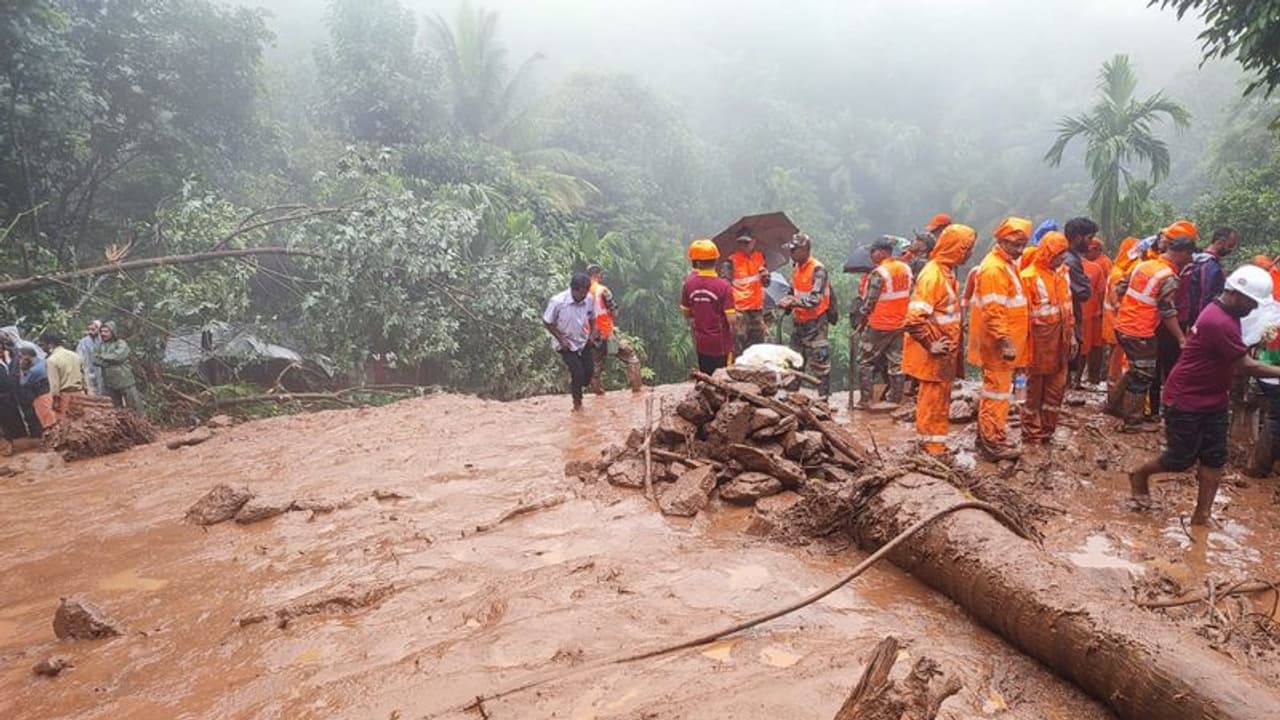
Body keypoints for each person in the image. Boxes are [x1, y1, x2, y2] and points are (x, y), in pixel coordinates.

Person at [1129, 266, 1280, 525]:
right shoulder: (1217, 321)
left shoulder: (1226, 312)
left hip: (1213, 396)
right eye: (1251, 303)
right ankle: (1139, 474)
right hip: (1186, 398)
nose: (1253, 309)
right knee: (1180, 458)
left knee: (1215, 456)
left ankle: (1202, 515)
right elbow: (1246, 366)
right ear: (1236, 294)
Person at [1112, 228, 1196, 430]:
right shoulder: (1169, 277)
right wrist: (1181, 338)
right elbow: (1167, 311)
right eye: (1189, 256)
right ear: (1183, 253)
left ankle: (1113, 405)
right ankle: (1132, 421)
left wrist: (1121, 308)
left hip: (1123, 324)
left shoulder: (1145, 265)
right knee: (1142, 375)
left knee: (1135, 369)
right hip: (1141, 331)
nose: (1189, 260)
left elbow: (1119, 288)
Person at [903, 224, 976, 456]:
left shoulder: (945, 272)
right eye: (967, 248)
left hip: (943, 351)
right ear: (955, 248)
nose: (970, 253)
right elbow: (914, 319)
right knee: (932, 400)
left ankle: (935, 445)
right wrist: (930, 343)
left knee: (939, 399)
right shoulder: (933, 275)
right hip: (935, 351)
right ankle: (930, 447)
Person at [967, 217, 1032, 460]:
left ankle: (987, 436)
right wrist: (1005, 340)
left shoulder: (1007, 264)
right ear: (1002, 241)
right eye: (1015, 244)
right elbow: (994, 310)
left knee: (998, 392)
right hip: (999, 345)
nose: (1020, 250)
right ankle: (992, 443)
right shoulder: (994, 269)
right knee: (997, 393)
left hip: (1007, 342)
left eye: (1023, 244)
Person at [1019, 232, 1075, 444]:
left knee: (1056, 388)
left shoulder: (1062, 275)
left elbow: (1068, 308)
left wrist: (1072, 337)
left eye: (1063, 254)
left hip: (1059, 341)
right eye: (1057, 255)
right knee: (1030, 389)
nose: (1061, 259)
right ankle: (1031, 432)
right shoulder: (1028, 277)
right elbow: (1020, 317)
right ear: (1046, 253)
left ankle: (1047, 430)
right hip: (1035, 343)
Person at [854, 236, 913, 408]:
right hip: (900, 323)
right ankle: (895, 399)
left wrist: (861, 320)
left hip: (879, 324)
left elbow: (869, 302)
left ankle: (865, 400)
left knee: (865, 361)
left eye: (873, 251)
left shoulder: (879, 273)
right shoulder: (905, 269)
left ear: (881, 252)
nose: (871, 255)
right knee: (897, 362)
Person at [1150, 220, 1200, 416]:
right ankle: (1161, 409)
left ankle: (1162, 408)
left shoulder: (1176, 266)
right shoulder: (1166, 270)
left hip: (1169, 320)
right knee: (1160, 366)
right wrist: (1181, 337)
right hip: (1161, 322)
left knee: (1163, 366)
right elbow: (1167, 308)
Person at [778, 233, 832, 397]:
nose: (791, 253)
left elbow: (815, 299)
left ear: (804, 249)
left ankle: (823, 400)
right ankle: (791, 397)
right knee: (793, 361)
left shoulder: (817, 270)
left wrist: (793, 302)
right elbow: (793, 290)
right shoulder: (797, 268)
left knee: (820, 364)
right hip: (799, 321)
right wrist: (787, 300)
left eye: (794, 250)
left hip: (816, 323)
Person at [585, 265, 643, 395]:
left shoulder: (583, 292)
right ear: (597, 274)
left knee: (595, 365)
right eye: (600, 274)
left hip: (592, 335)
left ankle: (599, 395)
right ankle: (637, 389)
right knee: (630, 356)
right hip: (607, 332)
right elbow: (613, 309)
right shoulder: (603, 290)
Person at [543, 273, 597, 412]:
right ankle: (577, 404)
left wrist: (592, 334)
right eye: (582, 293)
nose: (585, 296)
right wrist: (561, 339)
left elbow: (592, 317)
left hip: (583, 339)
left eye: (586, 292)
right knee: (577, 373)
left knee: (589, 372)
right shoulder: (558, 301)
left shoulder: (589, 299)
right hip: (565, 343)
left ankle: (577, 386)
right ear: (574, 290)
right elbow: (547, 322)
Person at [680, 239, 735, 374]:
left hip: (701, 343)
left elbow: (686, 313)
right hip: (720, 345)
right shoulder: (724, 286)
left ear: (696, 262)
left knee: (706, 377)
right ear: (716, 260)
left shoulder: (688, 284)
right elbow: (731, 319)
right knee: (723, 380)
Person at [1177, 226, 1238, 329]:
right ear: (1220, 242)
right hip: (1197, 320)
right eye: (1230, 245)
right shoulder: (1210, 266)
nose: (1231, 249)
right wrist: (1201, 325)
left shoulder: (1198, 258)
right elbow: (1205, 297)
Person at [1103, 237, 1140, 405]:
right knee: (1117, 359)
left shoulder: (1117, 269)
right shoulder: (1119, 273)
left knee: (1115, 357)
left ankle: (1113, 393)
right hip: (1117, 321)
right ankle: (1114, 395)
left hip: (1114, 321)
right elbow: (1115, 298)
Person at [728, 233, 771, 354]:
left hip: (757, 308)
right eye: (741, 243)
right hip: (740, 310)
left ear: (753, 242)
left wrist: (766, 277)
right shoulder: (731, 261)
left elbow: (766, 283)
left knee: (758, 344)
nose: (744, 246)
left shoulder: (760, 257)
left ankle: (756, 371)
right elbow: (725, 285)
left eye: (746, 243)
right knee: (740, 344)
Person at [1078, 238, 1109, 386]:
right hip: (1079, 315)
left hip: (1094, 315)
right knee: (1081, 347)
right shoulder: (1068, 266)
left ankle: (1093, 379)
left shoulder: (1100, 266)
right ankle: (1076, 380)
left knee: (1094, 346)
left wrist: (1103, 311)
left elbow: (1104, 291)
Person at [39, 331, 86, 424]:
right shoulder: (75, 355)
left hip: (64, 397)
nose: (42, 348)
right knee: (80, 423)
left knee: (65, 424)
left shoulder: (52, 360)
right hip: (80, 394)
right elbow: (83, 377)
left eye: (43, 344)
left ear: (50, 344)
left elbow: (54, 385)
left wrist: (55, 401)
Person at [17, 346, 53, 435]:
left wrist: (21, 370)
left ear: (27, 356)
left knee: (46, 421)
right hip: (48, 393)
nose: (20, 359)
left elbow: (23, 383)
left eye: (21, 357)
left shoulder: (34, 370)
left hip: (40, 396)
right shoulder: (43, 362)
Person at [77, 320, 104, 395]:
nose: (91, 330)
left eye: (94, 328)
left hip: (102, 374)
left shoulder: (103, 341)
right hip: (88, 373)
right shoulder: (83, 342)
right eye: (90, 329)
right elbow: (80, 358)